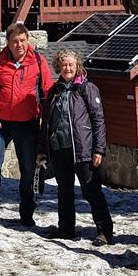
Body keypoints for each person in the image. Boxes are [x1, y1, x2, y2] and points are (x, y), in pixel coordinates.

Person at [0, 21, 53, 225]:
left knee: (27, 168)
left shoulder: (38, 61)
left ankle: (27, 210)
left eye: (23, 41)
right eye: (15, 41)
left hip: (27, 123)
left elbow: (48, 91)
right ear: (8, 43)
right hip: (0, 122)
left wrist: (47, 120)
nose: (19, 45)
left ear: (27, 41)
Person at [37, 49, 113, 245]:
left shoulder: (87, 88)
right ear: (58, 67)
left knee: (91, 190)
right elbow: (46, 122)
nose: (67, 68)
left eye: (71, 64)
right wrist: (43, 149)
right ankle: (66, 229)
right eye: (63, 65)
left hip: (83, 149)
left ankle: (104, 231)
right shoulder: (54, 91)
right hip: (60, 148)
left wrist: (99, 149)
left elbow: (98, 119)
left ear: (77, 65)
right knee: (64, 191)